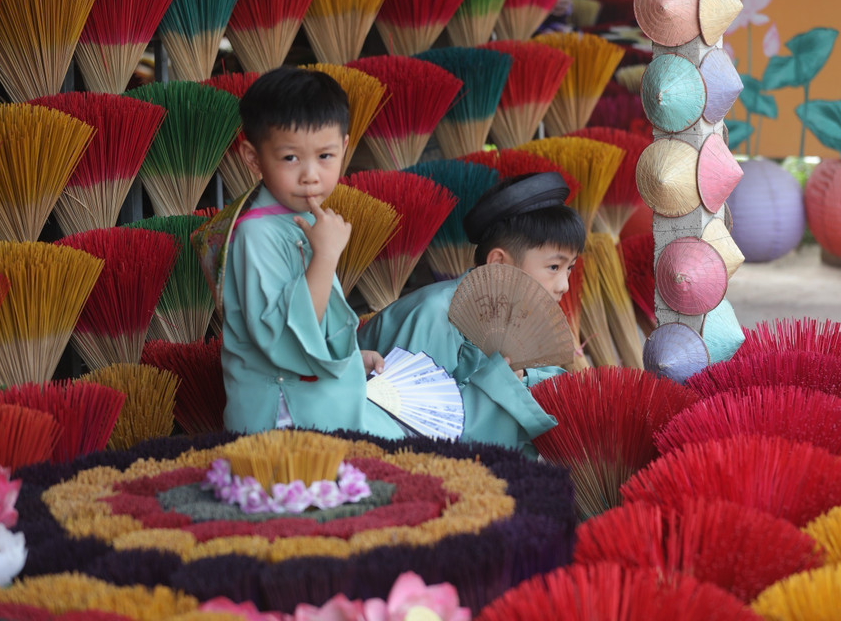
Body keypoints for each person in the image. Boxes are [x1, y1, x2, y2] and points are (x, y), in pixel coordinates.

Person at [220, 66, 405, 439]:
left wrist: (350, 360)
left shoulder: (303, 219)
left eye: (325, 155)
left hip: (312, 396)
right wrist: (325, 257)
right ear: (253, 158)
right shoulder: (256, 234)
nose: (310, 174)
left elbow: (313, 323)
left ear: (344, 149)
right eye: (290, 158)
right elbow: (283, 340)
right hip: (284, 415)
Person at [357, 172, 585, 456]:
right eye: (554, 267)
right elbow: (416, 430)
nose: (564, 285)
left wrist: (523, 380)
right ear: (498, 264)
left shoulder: (524, 319)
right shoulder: (434, 316)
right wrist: (501, 383)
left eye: (569, 268)